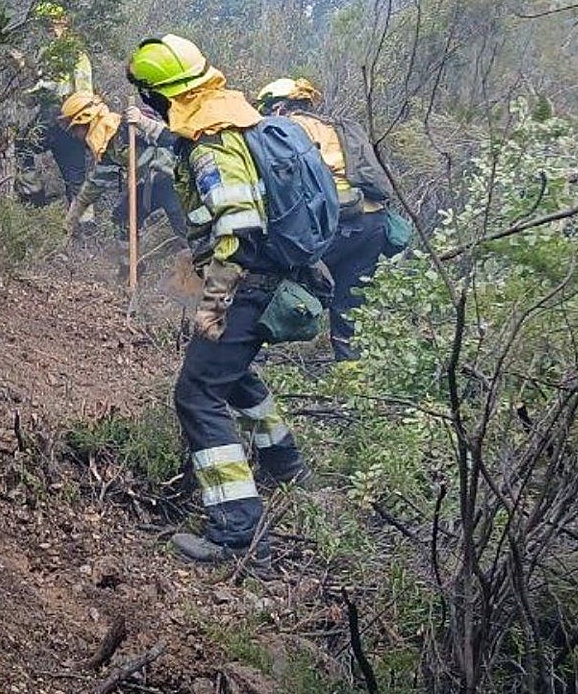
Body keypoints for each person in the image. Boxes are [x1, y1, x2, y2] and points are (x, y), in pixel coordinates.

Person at [126, 34, 311, 571]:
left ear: (163, 95)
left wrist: (215, 301)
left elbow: (239, 225)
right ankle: (286, 466)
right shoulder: (227, 120)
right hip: (265, 278)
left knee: (198, 395)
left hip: (246, 282)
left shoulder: (212, 143)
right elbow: (181, 143)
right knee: (233, 375)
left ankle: (237, 532)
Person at [256, 77, 390, 361]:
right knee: (350, 306)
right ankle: (352, 373)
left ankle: (255, 355)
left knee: (272, 281)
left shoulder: (284, 129)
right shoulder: (335, 127)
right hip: (372, 222)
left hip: (333, 224)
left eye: (266, 110)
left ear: (278, 107)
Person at [58, 91, 186, 240]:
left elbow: (173, 138)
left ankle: (195, 250)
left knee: (186, 227)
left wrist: (143, 121)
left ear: (86, 120)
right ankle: (132, 254)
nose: (75, 135)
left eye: (75, 129)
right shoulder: (107, 151)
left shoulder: (128, 126)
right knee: (122, 220)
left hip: (174, 179)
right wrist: (69, 223)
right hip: (149, 187)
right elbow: (90, 191)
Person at [15, 3, 94, 207]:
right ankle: (34, 200)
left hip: (68, 119)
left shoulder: (76, 54)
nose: (49, 31)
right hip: (52, 117)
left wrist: (82, 124)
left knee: (75, 177)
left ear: (64, 24)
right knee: (23, 145)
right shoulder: (45, 54)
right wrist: (24, 75)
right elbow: (33, 96)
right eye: (46, 26)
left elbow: (84, 92)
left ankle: (82, 221)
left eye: (52, 25)